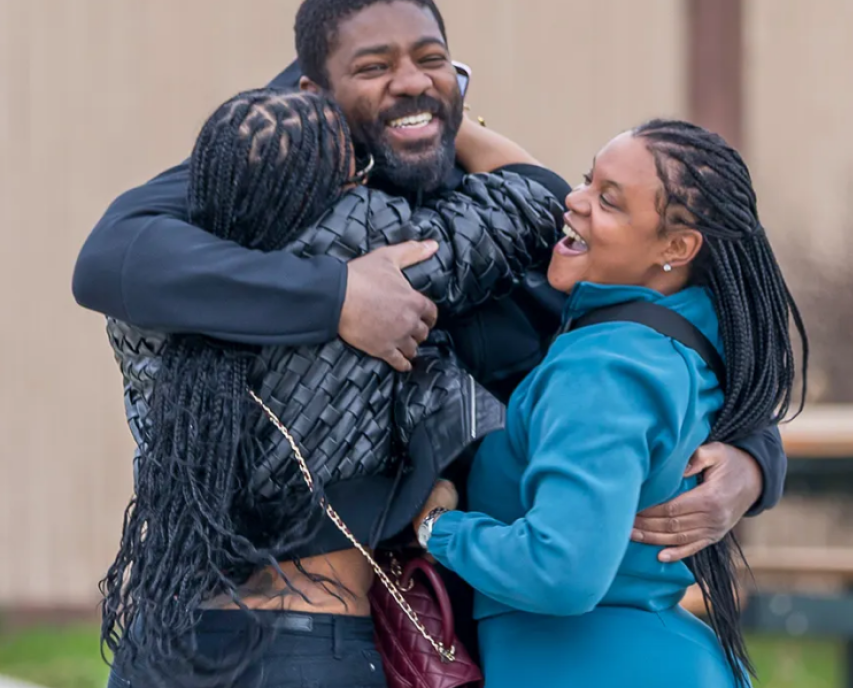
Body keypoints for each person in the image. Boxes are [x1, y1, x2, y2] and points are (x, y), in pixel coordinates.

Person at [101, 88, 561, 688]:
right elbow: (532, 201)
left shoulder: (144, 296)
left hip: (159, 643)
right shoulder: (368, 247)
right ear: (334, 186)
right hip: (308, 648)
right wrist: (451, 110)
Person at [413, 120, 809, 688]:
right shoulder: (680, 337)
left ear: (676, 247)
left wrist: (437, 527)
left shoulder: (603, 368)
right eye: (585, 180)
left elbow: (562, 571)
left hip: (589, 664)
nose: (571, 203)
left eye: (609, 201)